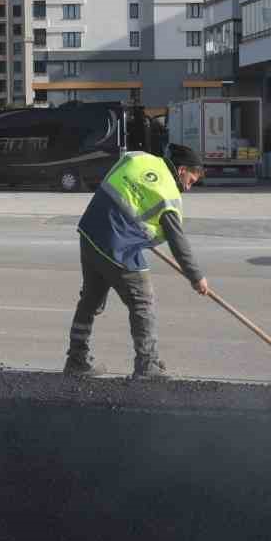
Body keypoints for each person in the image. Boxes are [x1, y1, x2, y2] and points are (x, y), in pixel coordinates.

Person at [65, 143, 211, 379]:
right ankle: (147, 363)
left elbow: (121, 189)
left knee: (91, 299)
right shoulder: (168, 195)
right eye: (191, 181)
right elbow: (178, 242)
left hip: (90, 231)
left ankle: (76, 360)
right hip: (118, 246)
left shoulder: (140, 158)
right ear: (182, 170)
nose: (188, 188)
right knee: (143, 301)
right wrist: (196, 277)